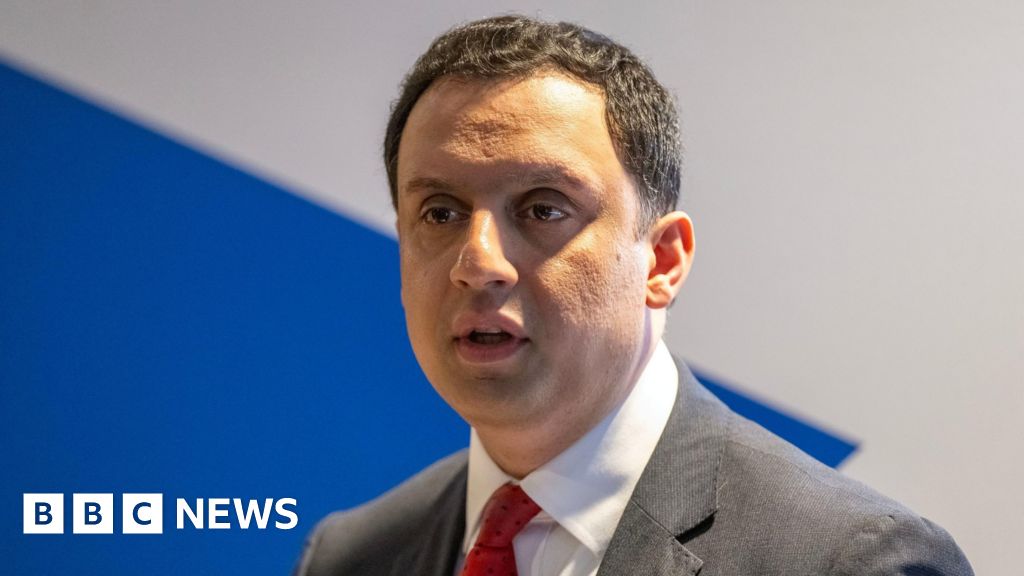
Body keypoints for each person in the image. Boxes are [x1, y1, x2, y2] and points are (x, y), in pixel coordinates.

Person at [294, 15, 972, 576]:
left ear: (662, 260)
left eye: (543, 208)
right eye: (440, 213)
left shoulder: (851, 561)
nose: (479, 263)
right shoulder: (349, 556)